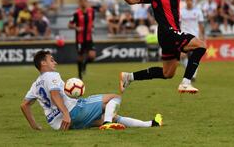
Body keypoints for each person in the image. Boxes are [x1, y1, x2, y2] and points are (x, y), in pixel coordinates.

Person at [111, 0, 216, 94]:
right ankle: (186, 83)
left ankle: (129, 77)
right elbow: (132, 0)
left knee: (167, 73)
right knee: (201, 46)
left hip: (169, 34)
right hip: (167, 32)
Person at [20, 50, 163, 130]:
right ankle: (107, 124)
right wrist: (65, 114)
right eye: (51, 60)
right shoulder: (52, 75)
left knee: (112, 114)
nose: (55, 62)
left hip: (59, 125)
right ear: (43, 63)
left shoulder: (35, 84)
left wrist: (35, 126)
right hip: (72, 113)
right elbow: (54, 93)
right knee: (115, 98)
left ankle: (151, 124)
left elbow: (24, 105)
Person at [68, 0, 95, 80]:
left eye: (85, 1)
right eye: (82, 1)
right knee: (80, 57)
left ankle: (84, 65)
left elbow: (91, 21)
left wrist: (92, 27)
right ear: (79, 3)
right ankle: (80, 74)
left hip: (89, 37)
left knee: (92, 56)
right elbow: (69, 25)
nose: (83, 3)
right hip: (80, 39)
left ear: (87, 2)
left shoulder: (91, 11)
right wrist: (76, 28)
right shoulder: (76, 14)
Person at [180, 0, 205, 82]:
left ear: (193, 1)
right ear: (185, 1)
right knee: (182, 56)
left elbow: (201, 24)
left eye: (190, 0)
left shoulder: (198, 11)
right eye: (187, 0)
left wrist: (202, 35)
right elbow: (178, 24)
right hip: (184, 36)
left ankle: (192, 75)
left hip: (195, 37)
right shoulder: (181, 12)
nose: (189, 1)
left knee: (194, 57)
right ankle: (190, 72)